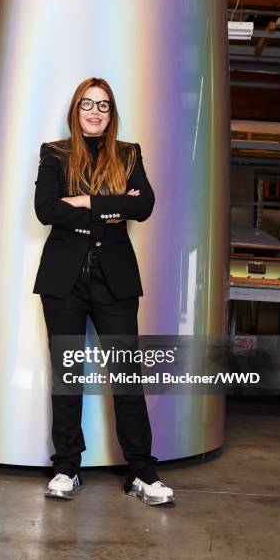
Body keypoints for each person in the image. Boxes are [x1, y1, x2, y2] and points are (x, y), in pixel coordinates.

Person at [33, 77, 174, 506]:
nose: (95, 112)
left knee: (127, 378)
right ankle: (66, 469)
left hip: (115, 283)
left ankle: (142, 475)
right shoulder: (54, 153)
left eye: (104, 106)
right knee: (69, 377)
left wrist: (84, 202)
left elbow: (143, 206)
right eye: (87, 105)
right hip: (64, 282)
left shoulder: (128, 153)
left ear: (112, 114)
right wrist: (112, 203)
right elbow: (45, 210)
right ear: (75, 111)